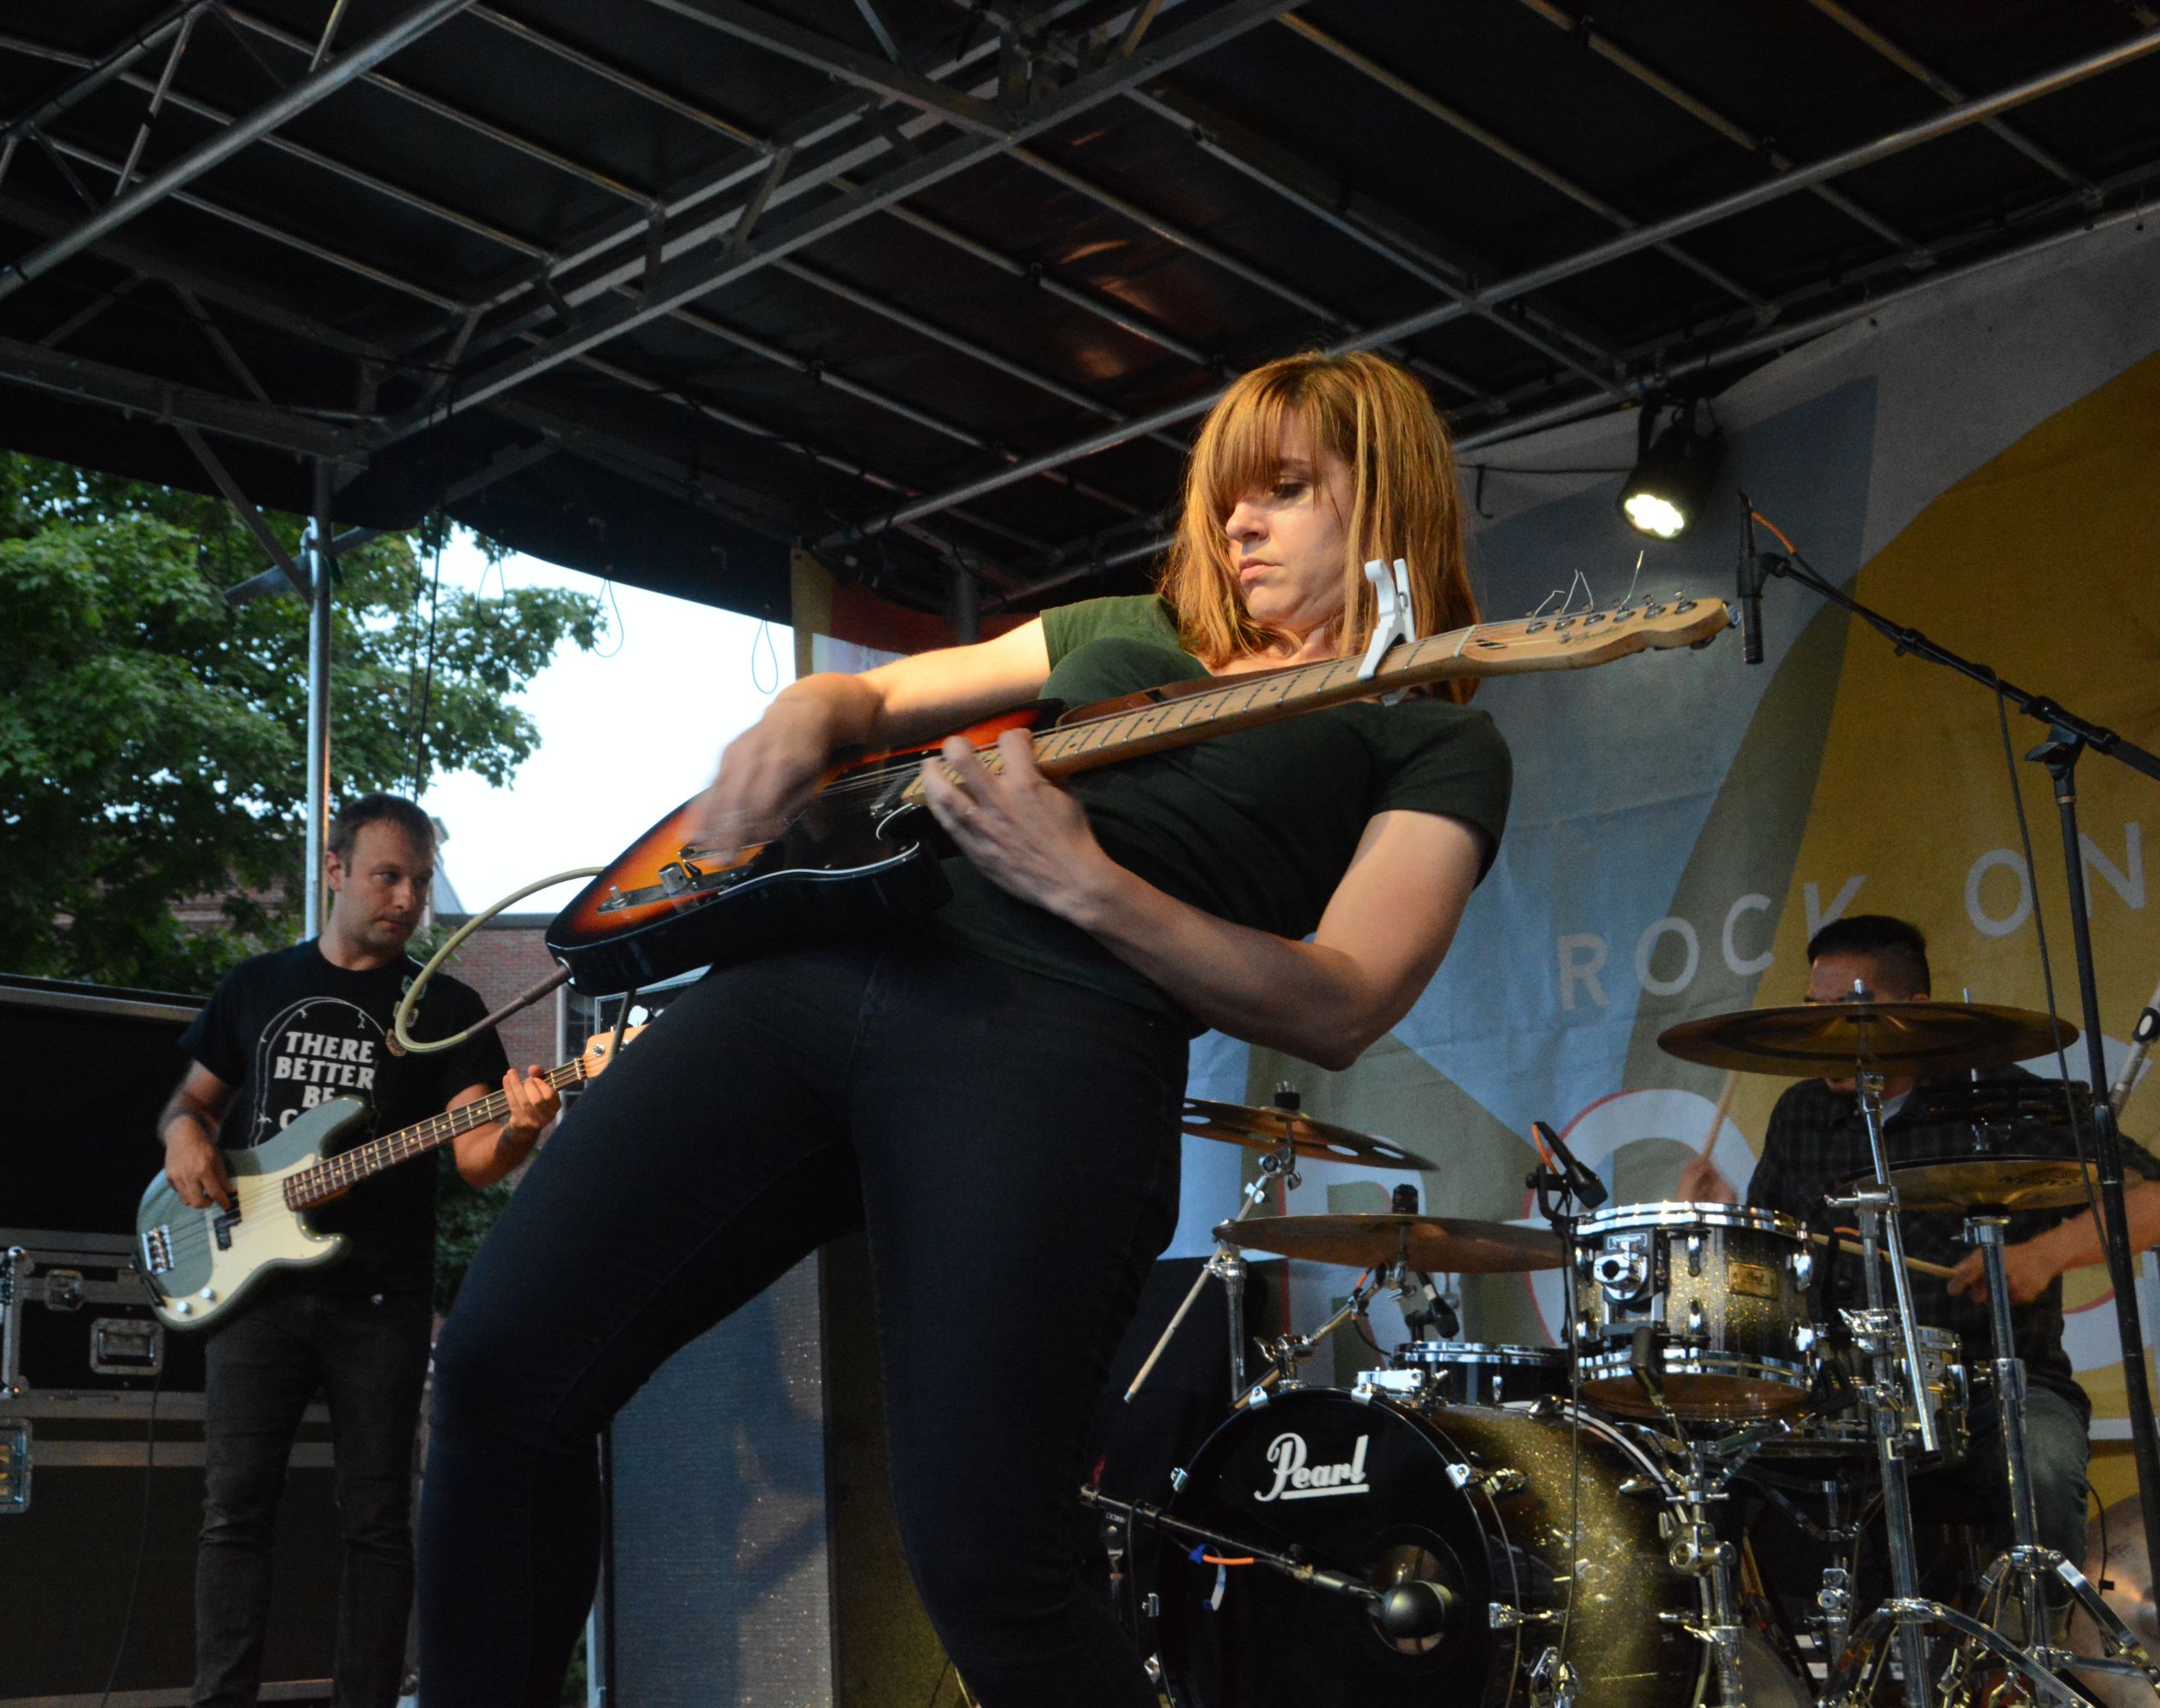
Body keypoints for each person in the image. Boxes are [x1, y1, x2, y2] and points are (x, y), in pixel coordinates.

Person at [415, 350, 1514, 1705]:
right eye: (1230, 494)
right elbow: (874, 699)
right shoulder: (1120, 627)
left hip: (1051, 1047)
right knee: (498, 1373)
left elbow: (1344, 996)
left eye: (1285, 489)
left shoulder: (1430, 735)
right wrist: (797, 718)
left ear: (1388, 497)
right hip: (817, 970)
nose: (1238, 523)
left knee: (992, 1564)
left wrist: (1086, 885)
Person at [160, 793, 562, 1708]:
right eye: (388, 875)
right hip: (251, 1286)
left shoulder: (447, 1010)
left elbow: (473, 1155)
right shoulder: (258, 986)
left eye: (419, 880)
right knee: (234, 1515)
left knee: (379, 1523)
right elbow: (190, 1102)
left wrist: (521, 1130)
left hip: (377, 1297)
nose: (408, 896)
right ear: (335, 869)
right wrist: (185, 1135)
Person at [1677, 913, 2160, 1572]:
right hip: (1840, 1390)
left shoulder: (2005, 1102)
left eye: (1851, 1013)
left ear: (1915, 1012)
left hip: (1994, 1384)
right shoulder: (1803, 1114)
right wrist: (1729, 1225)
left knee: (2040, 1467)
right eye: (1815, 1012)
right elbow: (1775, 1276)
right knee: (1706, 1467)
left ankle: (2037, 1663)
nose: (1826, 1034)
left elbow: (2154, 1198)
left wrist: (2045, 1255)